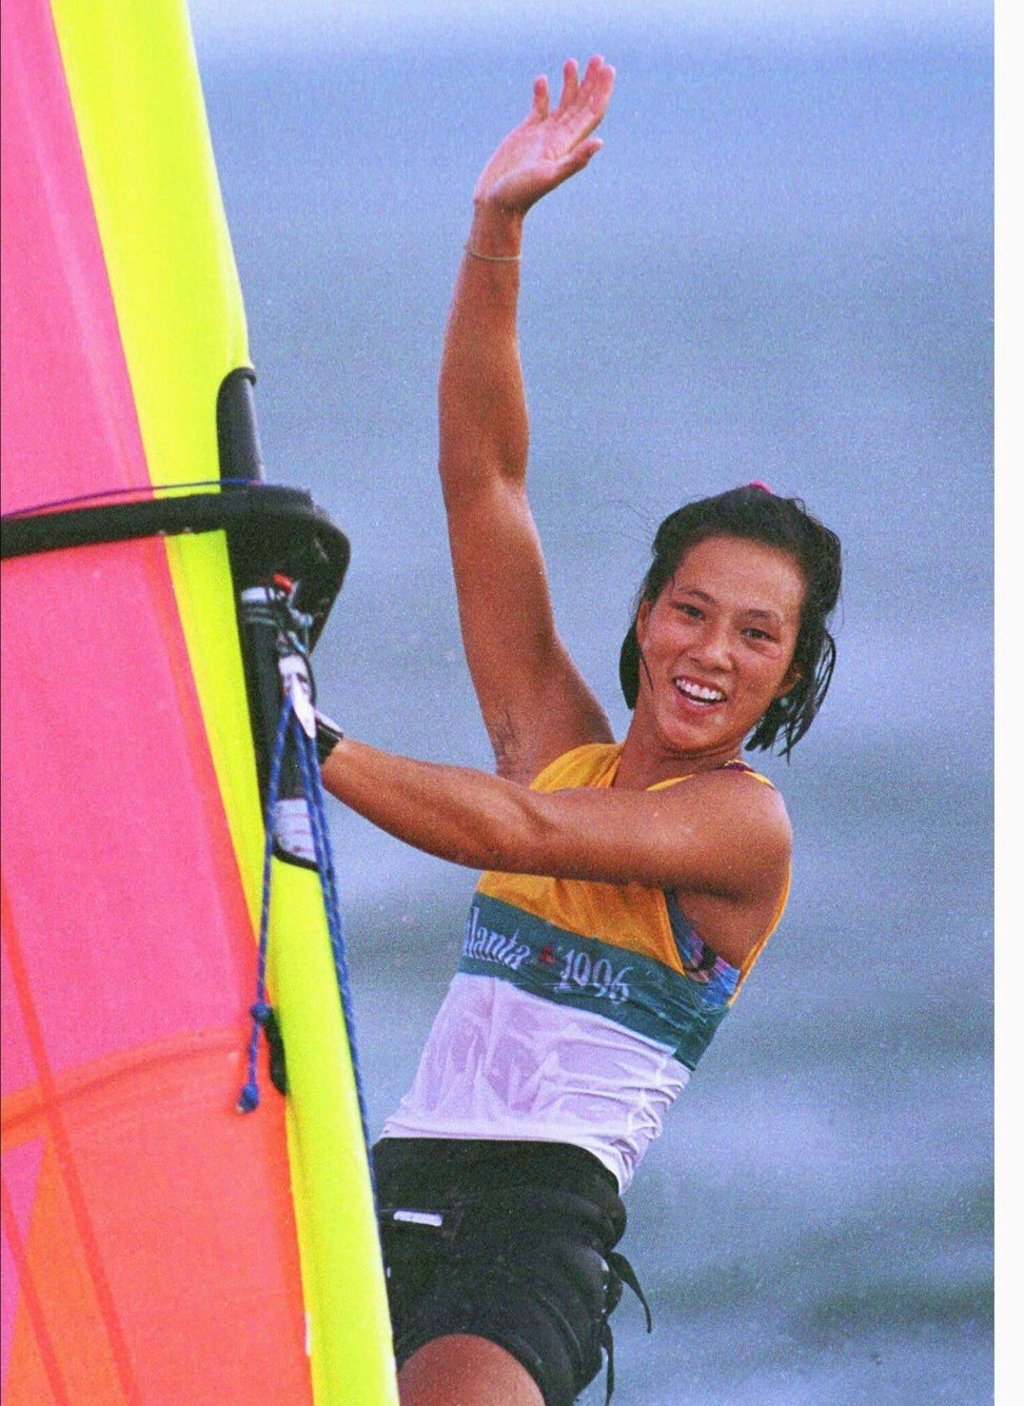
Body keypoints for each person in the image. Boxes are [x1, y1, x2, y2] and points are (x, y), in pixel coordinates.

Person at [318, 54, 842, 1406]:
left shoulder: (740, 827)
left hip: (531, 1237)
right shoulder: (561, 738)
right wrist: (494, 233)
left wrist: (313, 740)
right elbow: (483, 481)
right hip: (373, 1197)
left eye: (757, 634)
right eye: (690, 609)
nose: (711, 651)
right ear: (648, 613)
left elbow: (525, 828)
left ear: (790, 675)